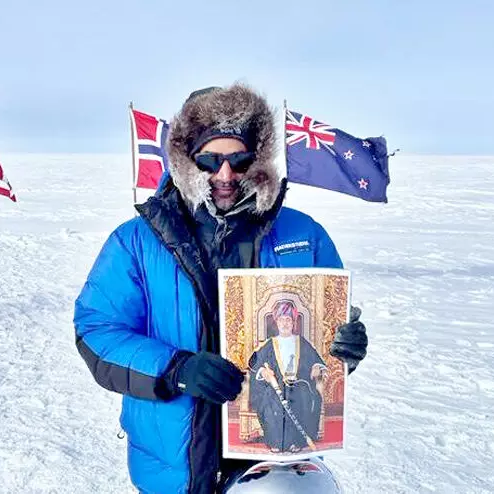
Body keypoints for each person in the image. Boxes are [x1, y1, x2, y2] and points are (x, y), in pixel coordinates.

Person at [73, 82, 369, 494]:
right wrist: (176, 370)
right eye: (210, 161)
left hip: (276, 463)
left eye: (239, 159)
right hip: (175, 467)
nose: (225, 175)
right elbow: (97, 332)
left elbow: (327, 337)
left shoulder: (305, 235)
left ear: (258, 160)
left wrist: (345, 349)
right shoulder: (135, 241)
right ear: (184, 160)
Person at [248, 300, 327, 453]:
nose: (285, 323)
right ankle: (276, 441)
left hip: (298, 384)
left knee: (303, 399)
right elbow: (254, 363)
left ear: (293, 322)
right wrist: (263, 373)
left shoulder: (301, 342)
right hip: (275, 386)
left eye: (288, 319)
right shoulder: (270, 343)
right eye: (281, 320)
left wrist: (316, 366)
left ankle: (295, 442)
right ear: (276, 322)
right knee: (270, 403)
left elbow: (316, 359)